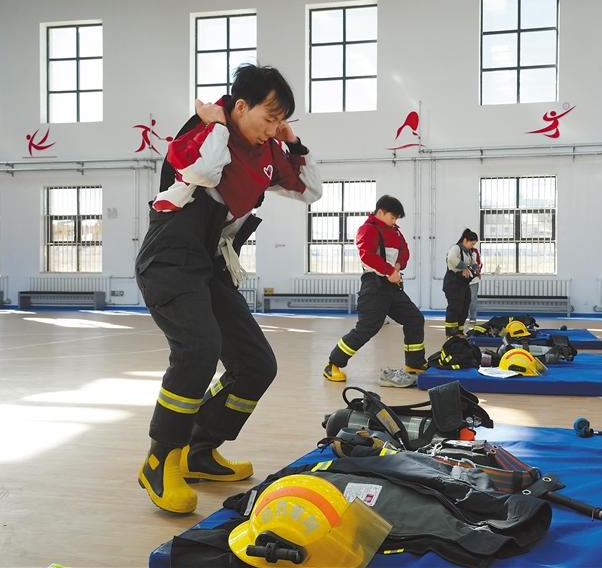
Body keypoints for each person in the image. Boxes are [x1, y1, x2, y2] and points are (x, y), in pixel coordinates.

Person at [135, 64, 321, 514]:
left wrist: (294, 143)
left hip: (210, 265)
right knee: (198, 350)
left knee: (256, 365)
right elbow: (203, 172)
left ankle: (199, 450)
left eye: (281, 121)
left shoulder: (267, 151)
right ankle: (161, 459)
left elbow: (310, 191)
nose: (273, 129)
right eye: (269, 118)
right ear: (240, 106)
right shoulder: (201, 134)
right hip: (170, 260)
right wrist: (217, 124)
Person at [323, 195, 427, 388]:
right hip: (374, 285)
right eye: (392, 217)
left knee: (414, 319)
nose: (394, 221)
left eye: (396, 218)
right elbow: (367, 256)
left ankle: (414, 363)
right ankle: (333, 364)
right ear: (380, 212)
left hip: (392, 285)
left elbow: (404, 251)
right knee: (367, 328)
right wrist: (389, 271)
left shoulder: (395, 232)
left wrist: (397, 267)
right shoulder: (368, 229)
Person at [443, 229, 478, 336]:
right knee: (455, 308)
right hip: (453, 283)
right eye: (471, 244)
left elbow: (472, 262)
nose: (472, 246)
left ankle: (459, 331)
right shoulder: (456, 248)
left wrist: (476, 268)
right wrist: (464, 267)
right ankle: (451, 333)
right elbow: (451, 259)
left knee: (464, 307)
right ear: (465, 240)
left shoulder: (468, 252)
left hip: (463, 284)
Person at [468, 244, 483, 324]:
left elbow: (479, 263)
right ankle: (461, 318)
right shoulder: (459, 251)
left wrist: (477, 272)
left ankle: (472, 317)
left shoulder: (475, 251)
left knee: (473, 299)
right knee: (462, 299)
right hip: (462, 280)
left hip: (473, 280)